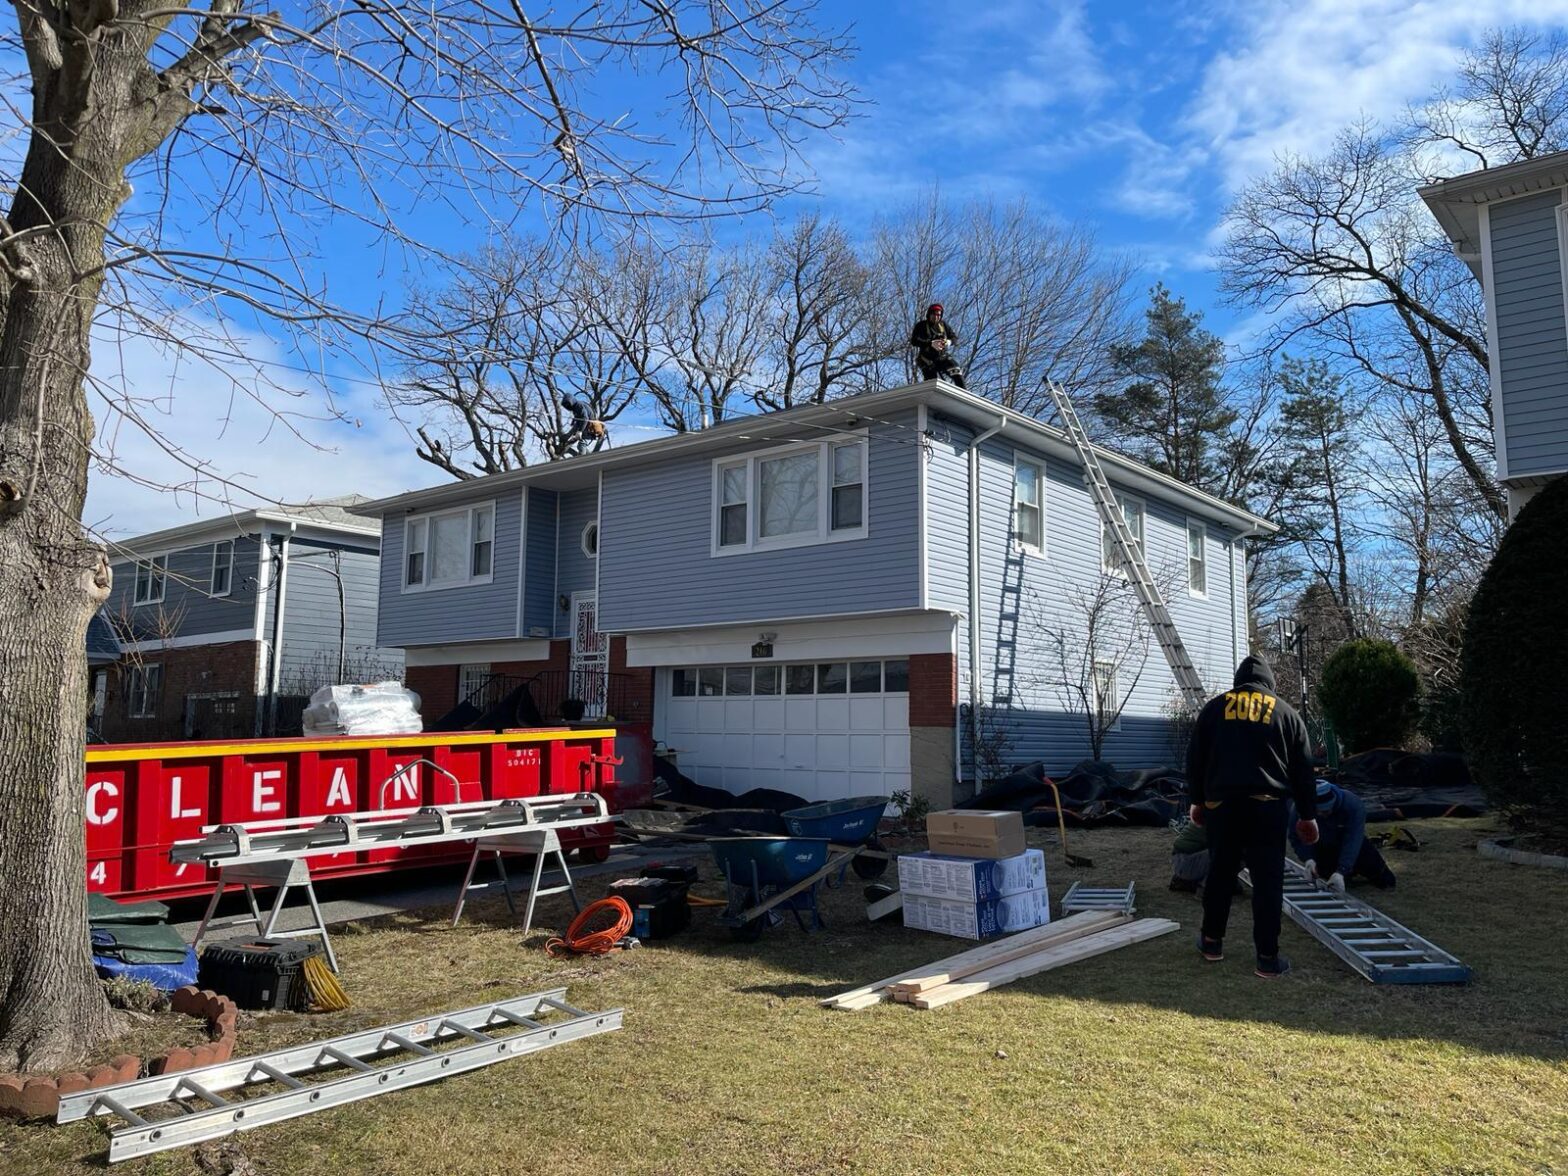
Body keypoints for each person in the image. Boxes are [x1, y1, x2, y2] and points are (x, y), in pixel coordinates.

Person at [1185, 655, 1319, 979]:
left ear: (1238, 681)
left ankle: (1211, 942)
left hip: (1223, 808)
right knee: (1268, 883)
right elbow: (1303, 770)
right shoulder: (1287, 713)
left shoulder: (1215, 709)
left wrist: (1196, 801)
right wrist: (1308, 815)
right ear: (1270, 683)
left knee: (1220, 876)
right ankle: (1267, 959)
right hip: (1268, 808)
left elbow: (1195, 759)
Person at [1288, 779, 1396, 891]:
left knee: (1383, 876)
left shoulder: (1352, 805)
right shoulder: (1300, 808)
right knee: (1325, 874)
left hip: (1345, 841)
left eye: (1326, 812)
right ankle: (1343, 874)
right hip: (1321, 846)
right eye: (1318, 811)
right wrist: (1308, 859)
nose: (1321, 815)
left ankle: (1371, 874)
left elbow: (1353, 840)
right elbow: (1296, 837)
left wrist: (1342, 870)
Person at [909, 303, 967, 388]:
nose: (936, 317)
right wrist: (930, 343)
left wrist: (948, 342)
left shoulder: (943, 325)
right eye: (934, 314)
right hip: (927, 360)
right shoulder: (921, 325)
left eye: (938, 315)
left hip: (942, 357)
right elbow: (914, 341)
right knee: (932, 384)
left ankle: (964, 394)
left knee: (956, 370)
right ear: (929, 314)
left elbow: (954, 338)